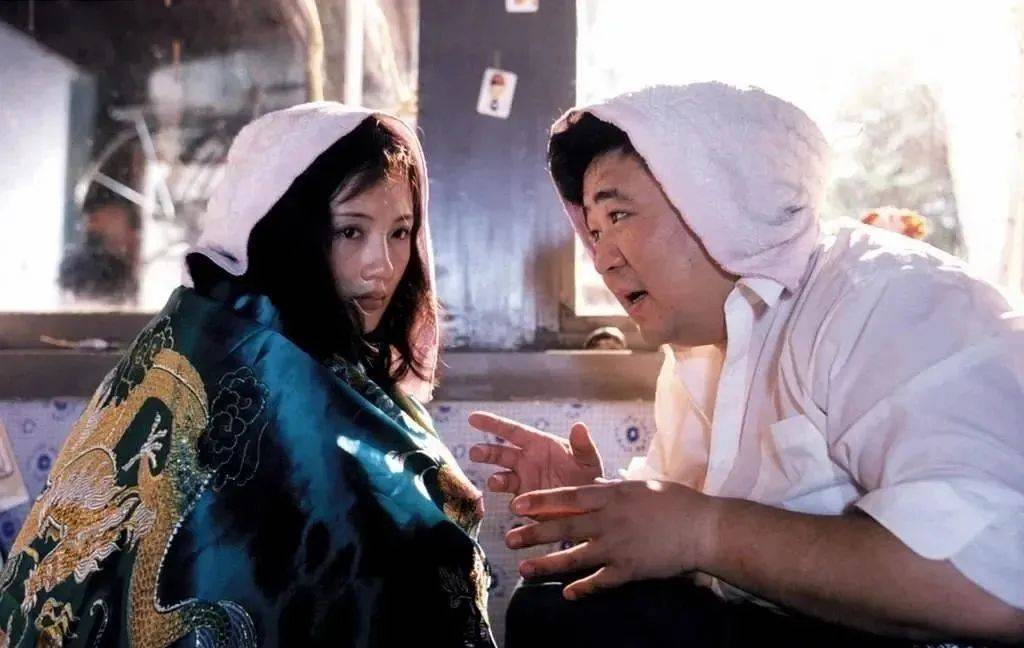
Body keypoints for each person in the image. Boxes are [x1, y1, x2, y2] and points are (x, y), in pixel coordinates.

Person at [469, 83, 1024, 645]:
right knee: (552, 605)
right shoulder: (702, 350)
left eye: (619, 215)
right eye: (594, 231)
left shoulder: (888, 300)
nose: (603, 259)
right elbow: (682, 528)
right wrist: (600, 499)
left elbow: (993, 585)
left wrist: (703, 531)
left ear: (722, 197)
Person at [0, 103, 495, 647]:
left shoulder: (255, 342)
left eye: (400, 232)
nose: (382, 265)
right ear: (286, 231)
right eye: (350, 231)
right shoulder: (240, 363)